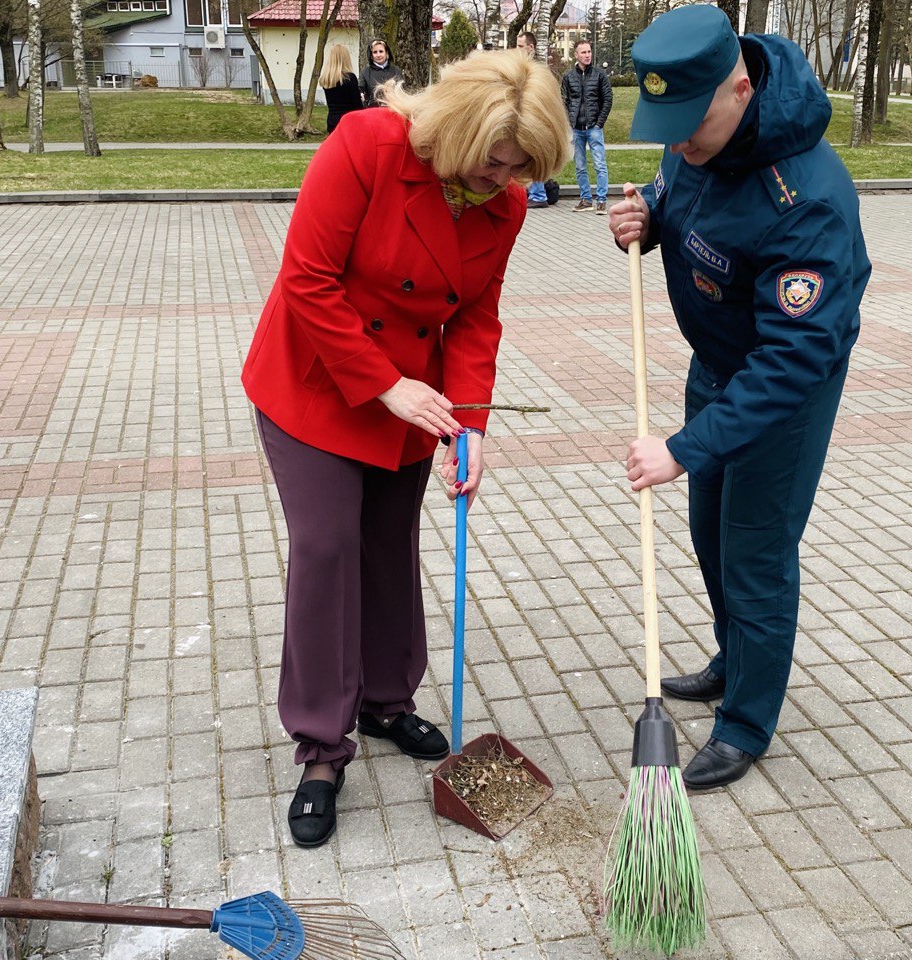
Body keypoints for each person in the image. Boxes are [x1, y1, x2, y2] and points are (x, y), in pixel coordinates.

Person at [242, 51, 570, 847]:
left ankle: (386, 700)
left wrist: (473, 423)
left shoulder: (507, 205)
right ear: (458, 133)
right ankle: (322, 747)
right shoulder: (365, 146)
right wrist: (386, 386)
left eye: (522, 167)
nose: (503, 180)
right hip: (320, 384)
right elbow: (306, 281)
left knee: (390, 546)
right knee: (326, 548)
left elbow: (475, 318)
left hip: (415, 405)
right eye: (494, 162)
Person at [608, 4, 871, 790]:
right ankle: (735, 659)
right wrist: (645, 216)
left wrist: (682, 450)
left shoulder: (808, 200)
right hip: (715, 371)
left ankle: (748, 720)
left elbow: (794, 358)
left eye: (690, 123)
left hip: (779, 395)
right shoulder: (698, 137)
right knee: (710, 535)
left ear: (740, 88)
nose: (679, 142)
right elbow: (678, 192)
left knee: (755, 553)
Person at [560, 39, 611, 214]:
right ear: (576, 55)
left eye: (589, 52)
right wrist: (569, 122)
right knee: (580, 166)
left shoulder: (599, 75)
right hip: (576, 129)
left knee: (600, 164)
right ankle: (586, 199)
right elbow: (564, 101)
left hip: (594, 128)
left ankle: (602, 200)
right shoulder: (568, 76)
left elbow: (607, 100)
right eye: (583, 52)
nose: (587, 55)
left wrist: (599, 123)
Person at [516, 30, 550, 210]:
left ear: (531, 47)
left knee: (534, 157)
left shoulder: (536, 71)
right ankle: (532, 192)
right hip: (526, 120)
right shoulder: (522, 68)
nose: (517, 49)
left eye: (520, 46)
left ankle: (538, 194)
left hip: (535, 121)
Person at [319, 42, 363, 134]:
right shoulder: (350, 78)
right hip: (348, 121)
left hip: (332, 120)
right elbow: (357, 106)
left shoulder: (327, 79)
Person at [360, 37, 402, 106]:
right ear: (371, 55)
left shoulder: (396, 71)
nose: (378, 55)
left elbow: (401, 92)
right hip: (373, 111)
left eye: (381, 51)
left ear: (386, 53)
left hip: (393, 110)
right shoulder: (365, 72)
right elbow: (360, 90)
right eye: (375, 52)